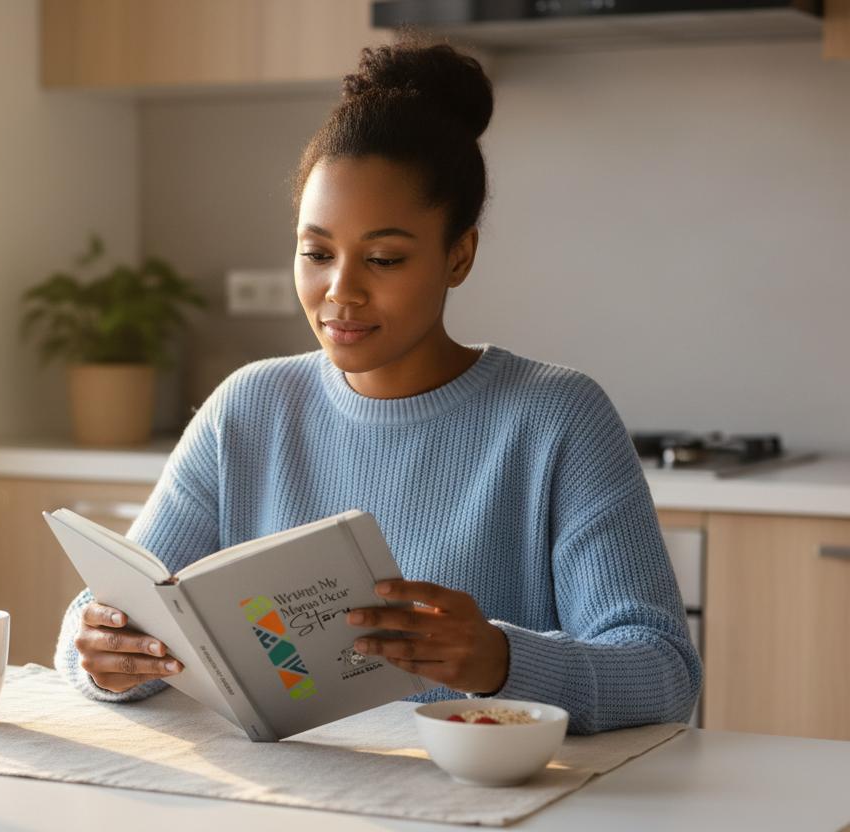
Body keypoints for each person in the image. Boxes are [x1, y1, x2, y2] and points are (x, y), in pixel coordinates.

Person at [53, 38, 702, 735]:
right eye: (316, 253)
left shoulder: (558, 418)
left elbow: (664, 672)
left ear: (459, 255)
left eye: (384, 258)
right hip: (285, 785)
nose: (341, 290)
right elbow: (111, 614)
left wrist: (499, 659)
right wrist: (104, 655)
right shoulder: (247, 408)